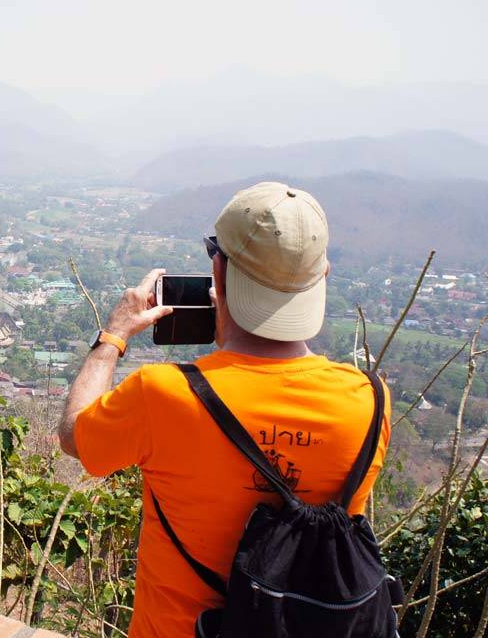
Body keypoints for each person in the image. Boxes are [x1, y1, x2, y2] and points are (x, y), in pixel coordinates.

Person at [58, 181, 390, 638]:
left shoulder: (165, 394)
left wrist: (112, 337)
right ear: (323, 275)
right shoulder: (370, 400)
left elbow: (75, 436)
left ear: (218, 271)